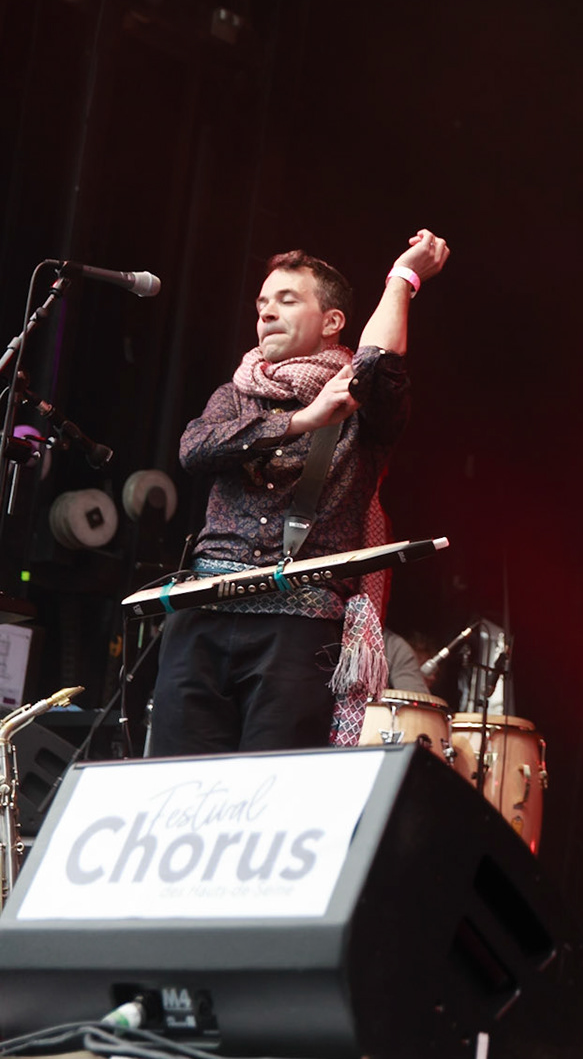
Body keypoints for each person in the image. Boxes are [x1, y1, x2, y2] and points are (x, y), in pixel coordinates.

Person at [148, 232, 451, 755]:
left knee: (270, 791)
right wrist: (302, 421)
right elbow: (194, 450)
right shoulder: (236, 393)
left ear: (332, 322)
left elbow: (379, 361)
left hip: (297, 630)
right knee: (178, 781)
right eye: (262, 302)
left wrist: (403, 276)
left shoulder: (361, 402)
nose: (266, 312)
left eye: (287, 300)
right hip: (201, 619)